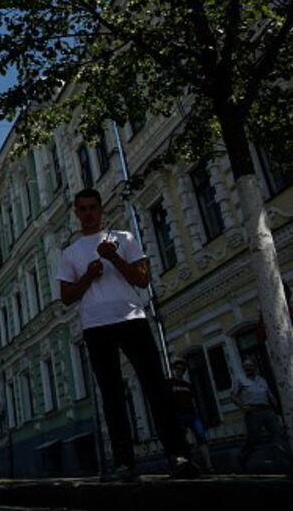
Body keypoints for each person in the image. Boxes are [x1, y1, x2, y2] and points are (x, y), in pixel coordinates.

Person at [56, 189, 198, 482]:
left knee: (155, 387)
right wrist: (88, 276)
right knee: (112, 395)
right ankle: (124, 463)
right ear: (76, 213)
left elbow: (142, 279)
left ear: (101, 209)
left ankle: (178, 455)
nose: (88, 213)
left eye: (92, 207)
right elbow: (66, 297)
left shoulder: (125, 239)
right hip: (95, 325)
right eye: (82, 209)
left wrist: (115, 258)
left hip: (132, 318)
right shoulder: (70, 253)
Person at [231, 358, 293, 472]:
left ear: (254, 367)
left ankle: (286, 463)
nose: (248, 368)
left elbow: (270, 395)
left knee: (277, 434)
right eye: (245, 366)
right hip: (253, 411)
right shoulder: (240, 379)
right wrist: (242, 407)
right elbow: (233, 395)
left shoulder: (262, 380)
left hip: (267, 410)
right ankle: (242, 457)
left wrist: (277, 409)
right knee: (254, 439)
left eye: (250, 365)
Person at [168, 357, 213, 472]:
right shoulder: (169, 383)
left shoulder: (188, 385)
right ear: (173, 369)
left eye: (182, 369)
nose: (179, 371)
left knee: (202, 437)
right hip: (178, 416)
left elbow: (193, 400)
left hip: (192, 414)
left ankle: (209, 465)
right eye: (177, 368)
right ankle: (184, 464)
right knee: (181, 441)